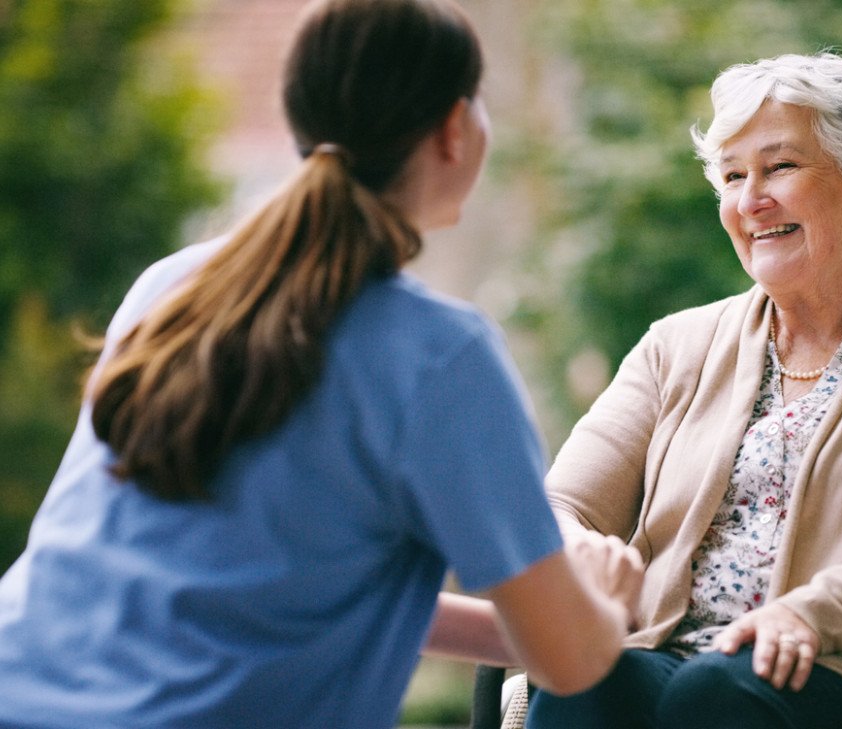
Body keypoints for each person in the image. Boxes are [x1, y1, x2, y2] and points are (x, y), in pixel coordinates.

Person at [0, 1, 643, 727]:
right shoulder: (442, 358)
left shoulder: (173, 286)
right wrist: (605, 606)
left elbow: (290, 589)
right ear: (454, 130)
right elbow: (569, 662)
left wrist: (532, 623)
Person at [526, 51, 842, 729]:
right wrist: (580, 551)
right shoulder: (674, 344)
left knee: (717, 693)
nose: (749, 200)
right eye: (733, 176)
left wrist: (814, 613)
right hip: (673, 653)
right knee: (584, 682)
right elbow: (563, 503)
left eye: (780, 167)